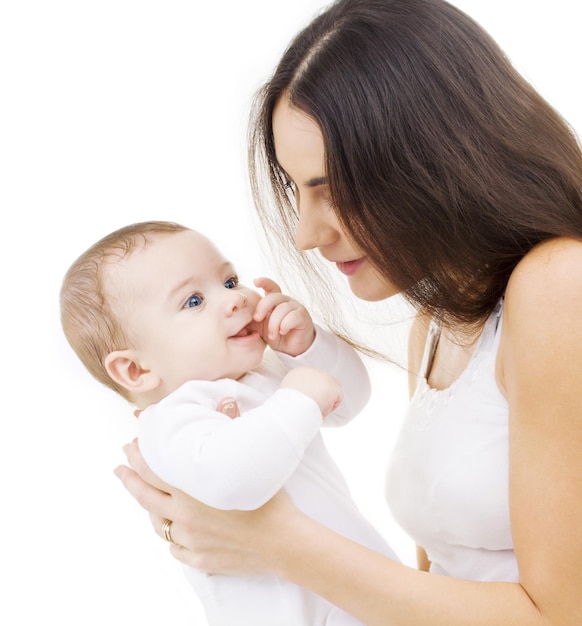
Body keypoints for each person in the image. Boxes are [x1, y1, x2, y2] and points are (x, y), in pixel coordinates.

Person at [114, 0, 582, 624]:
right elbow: (433, 594)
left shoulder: (560, 284)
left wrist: (272, 542)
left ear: (434, 160)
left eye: (331, 188)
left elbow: (558, 615)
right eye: (297, 188)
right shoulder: (436, 332)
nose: (307, 234)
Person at [60, 220, 398, 626]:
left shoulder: (265, 374)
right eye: (193, 301)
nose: (235, 299)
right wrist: (301, 396)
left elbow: (348, 402)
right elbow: (236, 480)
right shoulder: (169, 422)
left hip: (368, 595)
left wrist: (307, 347)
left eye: (230, 280)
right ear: (135, 369)